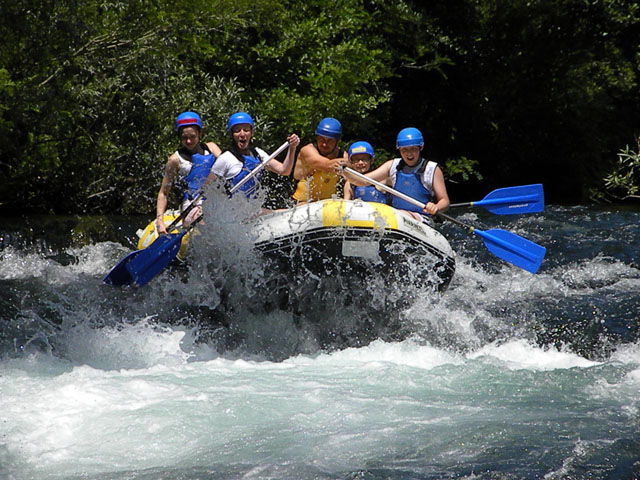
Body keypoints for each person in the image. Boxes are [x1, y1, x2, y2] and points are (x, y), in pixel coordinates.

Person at [343, 127, 449, 223]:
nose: (409, 154)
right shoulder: (392, 165)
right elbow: (363, 181)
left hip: (422, 218)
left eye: (413, 149)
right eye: (404, 150)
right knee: (392, 215)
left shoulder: (432, 169)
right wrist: (344, 172)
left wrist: (436, 207)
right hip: (396, 216)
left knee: (398, 215)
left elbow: (445, 201)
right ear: (399, 150)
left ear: (420, 148)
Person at [156, 111, 222, 235]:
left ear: (200, 133)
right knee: (204, 220)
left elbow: (226, 165)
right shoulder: (175, 160)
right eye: (184, 138)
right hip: (191, 205)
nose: (189, 141)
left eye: (192, 136)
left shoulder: (212, 148)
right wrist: (160, 222)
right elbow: (163, 193)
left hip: (214, 200)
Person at [210, 112, 300, 200]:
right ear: (232, 134)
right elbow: (209, 185)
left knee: (281, 212)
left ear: (252, 132)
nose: (242, 134)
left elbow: (284, 170)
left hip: (252, 208)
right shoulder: (225, 158)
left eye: (246, 130)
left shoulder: (258, 153)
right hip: (233, 209)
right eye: (237, 131)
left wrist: (292, 148)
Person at [292, 117, 348, 203]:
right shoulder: (307, 151)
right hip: (301, 203)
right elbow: (327, 165)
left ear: (337, 141)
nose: (324, 144)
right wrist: (350, 162)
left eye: (330, 141)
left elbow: (351, 179)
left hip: (327, 204)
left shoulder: (343, 155)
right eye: (321, 139)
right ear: (317, 138)